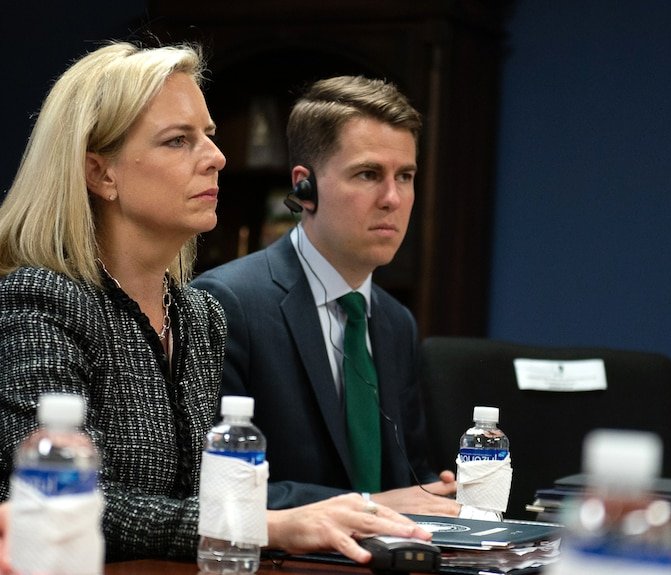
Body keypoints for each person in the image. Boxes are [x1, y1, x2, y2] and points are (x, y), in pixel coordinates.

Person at [0, 42, 429, 566]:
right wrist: (267, 524)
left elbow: (203, 496)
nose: (216, 158)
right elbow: (65, 504)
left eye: (210, 136)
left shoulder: (198, 315)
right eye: (179, 141)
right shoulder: (40, 301)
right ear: (100, 173)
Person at [191, 76, 460, 515]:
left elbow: (409, 476)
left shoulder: (395, 322)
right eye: (369, 174)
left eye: (405, 176)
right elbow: (215, 488)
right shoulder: (226, 303)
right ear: (305, 188)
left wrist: (438, 494)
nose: (393, 198)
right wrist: (369, 505)